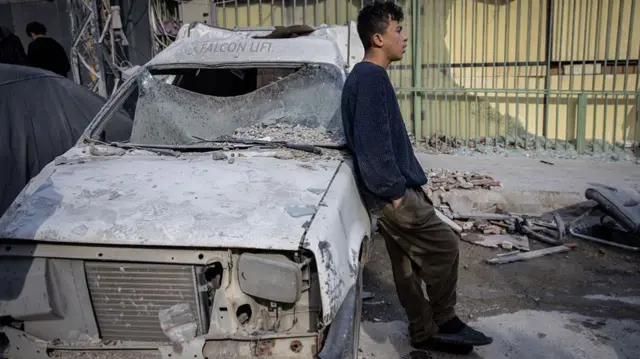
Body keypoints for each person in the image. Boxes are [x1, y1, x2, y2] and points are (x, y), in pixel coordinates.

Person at [341, 1, 493, 353]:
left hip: (388, 192)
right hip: (393, 194)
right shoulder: (370, 79)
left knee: (406, 266)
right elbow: (372, 145)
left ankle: (425, 332)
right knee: (445, 246)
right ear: (378, 38)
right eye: (397, 30)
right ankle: (446, 320)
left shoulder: (365, 77)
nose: (404, 37)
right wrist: (395, 192)